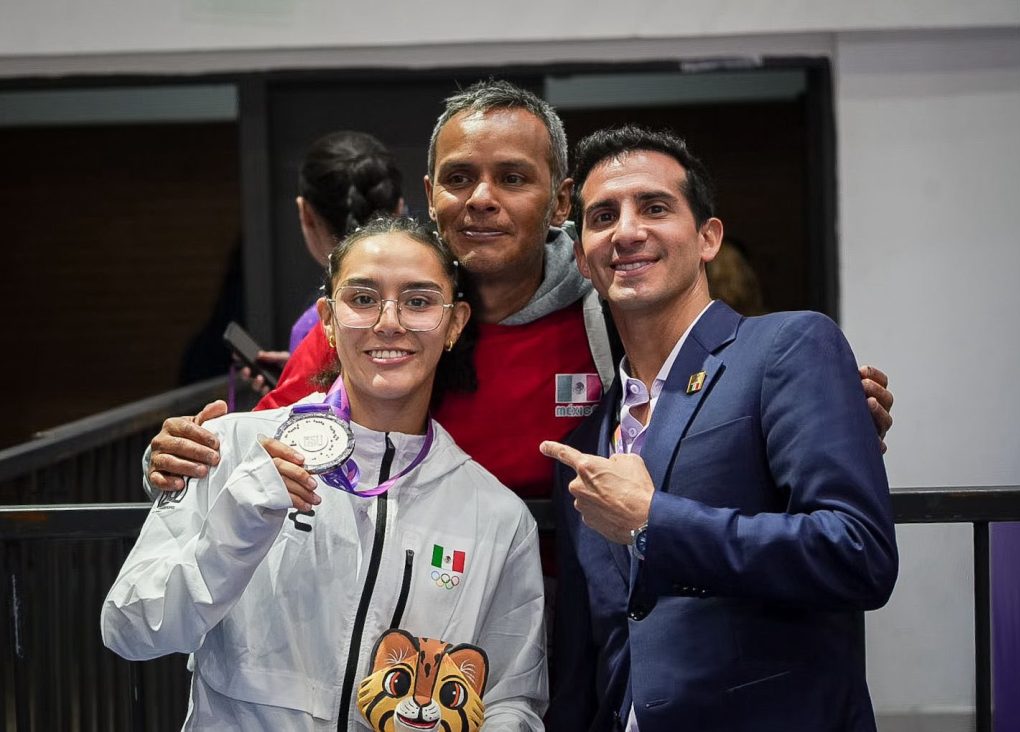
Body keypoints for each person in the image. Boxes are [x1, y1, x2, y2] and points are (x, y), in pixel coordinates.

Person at [144, 80, 894, 506]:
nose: (481, 199)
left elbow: (721, 405)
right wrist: (180, 460)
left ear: (560, 200)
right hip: (409, 635)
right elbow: (268, 439)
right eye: (460, 178)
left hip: (585, 634)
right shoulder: (380, 318)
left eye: (512, 178)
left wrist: (812, 414)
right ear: (430, 194)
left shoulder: (613, 307)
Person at [102, 217, 547, 730]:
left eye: (419, 301)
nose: (389, 322)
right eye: (362, 299)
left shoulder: (497, 517)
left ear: (455, 324)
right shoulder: (229, 448)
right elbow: (131, 628)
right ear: (328, 320)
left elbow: (513, 698)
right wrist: (235, 525)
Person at [540, 126, 898, 731]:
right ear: (582, 258)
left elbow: (856, 553)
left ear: (708, 238)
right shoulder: (583, 444)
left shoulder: (787, 348)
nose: (626, 231)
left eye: (654, 207)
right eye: (603, 216)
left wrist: (654, 521)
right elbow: (586, 658)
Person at [245, 130, 405, 388]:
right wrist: (302, 367)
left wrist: (296, 386)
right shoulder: (437, 309)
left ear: (305, 213)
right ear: (399, 210)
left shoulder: (318, 323)